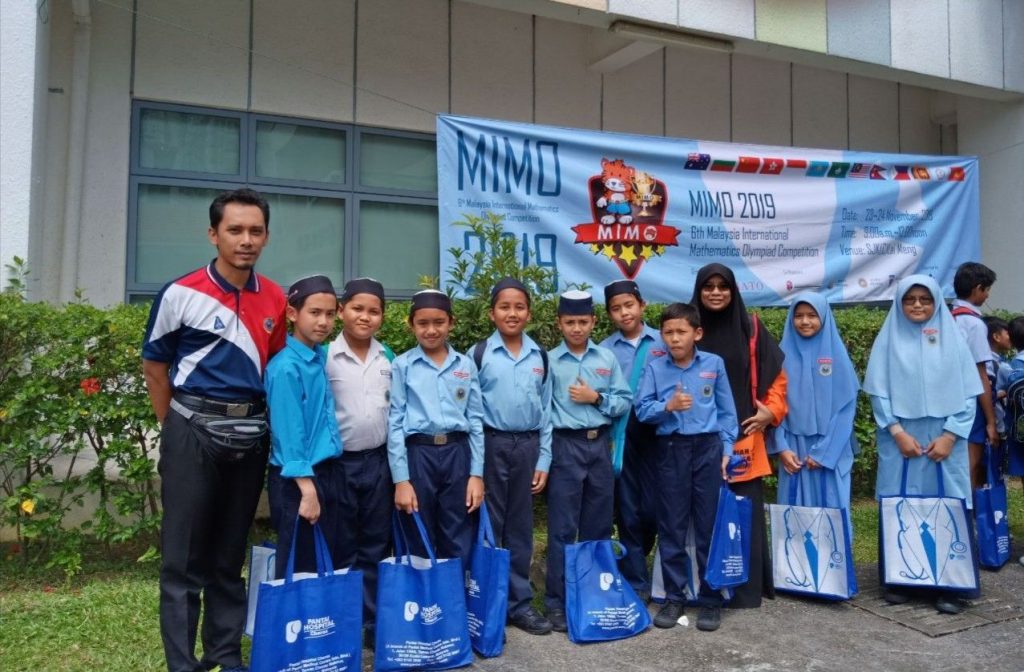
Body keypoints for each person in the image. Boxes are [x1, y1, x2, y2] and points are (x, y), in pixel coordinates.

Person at [142, 188, 286, 672]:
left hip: (250, 436)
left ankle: (224, 655)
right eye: (235, 230)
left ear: (266, 236)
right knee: (182, 560)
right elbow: (155, 369)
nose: (246, 240)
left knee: (229, 556)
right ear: (213, 234)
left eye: (255, 231)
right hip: (191, 432)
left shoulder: (276, 297)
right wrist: (174, 430)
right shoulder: (180, 292)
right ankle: (183, 665)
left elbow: (275, 368)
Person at [865, 275, 981, 615]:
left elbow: (969, 394)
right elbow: (878, 392)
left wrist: (950, 436)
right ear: (899, 303)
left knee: (949, 506)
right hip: (902, 440)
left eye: (925, 299)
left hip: (945, 440)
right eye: (910, 299)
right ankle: (902, 578)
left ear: (936, 303)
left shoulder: (954, 339)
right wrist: (897, 432)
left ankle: (950, 585)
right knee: (902, 503)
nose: (917, 305)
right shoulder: (888, 340)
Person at [635, 302, 738, 632]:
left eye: (681, 331)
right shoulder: (656, 367)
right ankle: (674, 596)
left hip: (707, 449)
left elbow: (727, 412)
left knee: (707, 525)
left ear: (697, 333)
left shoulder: (713, 364)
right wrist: (668, 406)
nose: (675, 338)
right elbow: (642, 410)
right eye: (668, 332)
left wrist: (726, 449)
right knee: (672, 525)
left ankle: (711, 598)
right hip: (671, 450)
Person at [690, 263, 787, 609]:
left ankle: (743, 589)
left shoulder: (751, 328)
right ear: (699, 290)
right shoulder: (687, 326)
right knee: (699, 512)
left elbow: (777, 377)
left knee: (742, 511)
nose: (716, 292)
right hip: (696, 437)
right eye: (708, 286)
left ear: (733, 291)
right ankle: (701, 587)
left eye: (723, 286)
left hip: (744, 438)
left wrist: (771, 411)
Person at [544, 290, 632, 632]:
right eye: (570, 322)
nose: (577, 328)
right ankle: (556, 601)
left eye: (583, 321)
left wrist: (595, 397)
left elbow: (624, 401)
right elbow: (543, 410)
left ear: (594, 322)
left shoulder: (606, 358)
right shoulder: (550, 361)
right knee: (562, 528)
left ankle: (595, 595)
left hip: (599, 446)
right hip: (565, 446)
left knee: (598, 525)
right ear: (559, 324)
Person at [472, 277, 554, 635]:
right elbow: (471, 413)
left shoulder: (540, 356)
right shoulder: (478, 355)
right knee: (488, 525)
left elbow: (547, 412)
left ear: (529, 314)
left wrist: (544, 459)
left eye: (519, 307)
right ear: (492, 313)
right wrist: (475, 468)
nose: (512, 313)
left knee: (520, 527)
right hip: (491, 444)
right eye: (504, 306)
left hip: (528, 447)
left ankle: (519, 603)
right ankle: (486, 602)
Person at [387, 289, 484, 569]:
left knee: (458, 531)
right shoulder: (403, 365)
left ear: (451, 323)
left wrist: (476, 474)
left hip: (457, 454)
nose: (431, 330)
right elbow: (395, 422)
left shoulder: (465, 365)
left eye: (439, 322)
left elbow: (476, 420)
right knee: (418, 530)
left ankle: (454, 592)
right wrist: (401, 480)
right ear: (411, 325)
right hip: (419, 455)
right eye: (423, 323)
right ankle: (422, 594)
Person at [325, 277, 395, 643]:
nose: (365, 317)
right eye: (357, 309)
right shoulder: (325, 357)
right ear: (341, 311)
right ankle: (342, 619)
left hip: (379, 463)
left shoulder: (388, 358)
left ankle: (369, 619)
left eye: (374, 311)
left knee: (375, 542)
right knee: (342, 541)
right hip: (339, 465)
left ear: (382, 316)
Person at [265, 275, 343, 577]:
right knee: (299, 567)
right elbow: (288, 432)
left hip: (325, 472)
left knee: (322, 562)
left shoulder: (318, 357)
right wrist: (307, 490)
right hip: (298, 481)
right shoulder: (286, 366)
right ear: (292, 313)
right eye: (315, 312)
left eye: (330, 314)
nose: (323, 322)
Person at [599, 280, 667, 601]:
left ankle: (646, 559)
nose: (624, 312)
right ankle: (637, 580)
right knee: (627, 508)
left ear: (642, 305)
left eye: (629, 305)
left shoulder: (663, 340)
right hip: (622, 435)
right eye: (616, 308)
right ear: (609, 314)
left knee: (654, 508)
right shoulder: (604, 349)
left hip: (658, 433)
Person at [771, 292, 859, 529]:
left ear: (824, 317)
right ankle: (795, 556)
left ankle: (835, 556)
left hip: (832, 449)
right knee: (794, 516)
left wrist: (824, 453)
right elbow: (774, 405)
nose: (805, 321)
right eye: (798, 315)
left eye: (812, 315)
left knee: (833, 516)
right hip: (794, 449)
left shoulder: (837, 356)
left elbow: (845, 409)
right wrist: (782, 447)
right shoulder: (780, 357)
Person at [951, 262, 999, 489]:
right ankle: (968, 509)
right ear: (978, 288)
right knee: (971, 465)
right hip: (971, 402)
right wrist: (991, 421)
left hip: (947, 398)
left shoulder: (946, 318)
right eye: (987, 290)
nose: (987, 295)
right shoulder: (974, 324)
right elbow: (981, 376)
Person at [982, 315, 1012, 440]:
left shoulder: (996, 362)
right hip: (994, 425)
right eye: (1008, 333)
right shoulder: (992, 364)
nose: (1011, 337)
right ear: (996, 337)